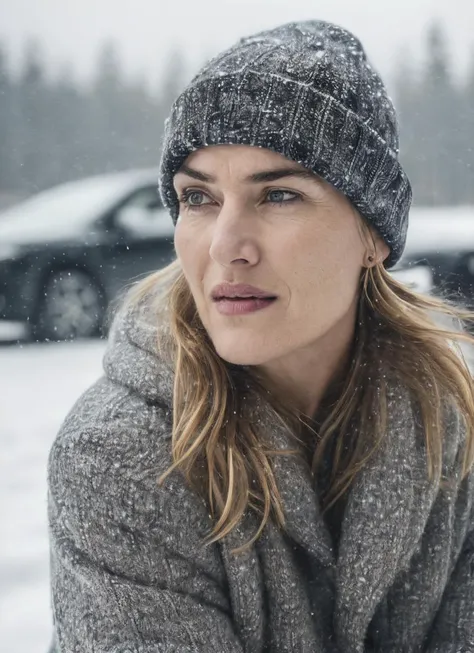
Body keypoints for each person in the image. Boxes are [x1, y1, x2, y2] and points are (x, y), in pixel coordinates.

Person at [47, 20, 474, 653]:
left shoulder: (454, 426)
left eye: (277, 194)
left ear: (374, 234)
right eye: (198, 197)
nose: (225, 246)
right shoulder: (118, 460)